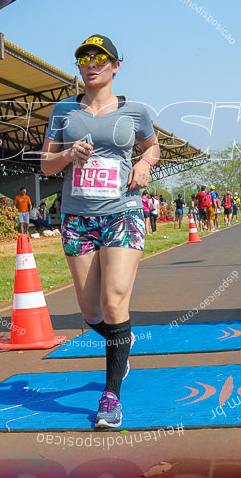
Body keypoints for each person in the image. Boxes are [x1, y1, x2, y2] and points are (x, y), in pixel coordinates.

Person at [39, 34, 159, 429]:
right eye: (84, 58)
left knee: (113, 301)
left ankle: (110, 398)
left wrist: (144, 165)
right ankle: (122, 341)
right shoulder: (63, 112)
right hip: (77, 218)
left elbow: (153, 147)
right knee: (90, 310)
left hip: (122, 212)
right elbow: (45, 166)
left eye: (100, 57)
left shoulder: (136, 111)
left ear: (115, 65)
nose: (91, 63)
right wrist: (68, 154)